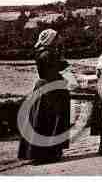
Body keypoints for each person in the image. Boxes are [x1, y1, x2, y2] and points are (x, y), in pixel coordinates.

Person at [18, 29, 71, 164]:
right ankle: (47, 153)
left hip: (44, 86)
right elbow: (52, 71)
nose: (60, 38)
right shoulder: (48, 54)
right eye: (58, 36)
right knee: (52, 118)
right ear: (52, 39)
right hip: (51, 88)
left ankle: (41, 152)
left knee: (41, 117)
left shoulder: (44, 52)